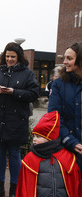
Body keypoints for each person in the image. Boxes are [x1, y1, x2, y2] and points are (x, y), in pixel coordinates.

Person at [0, 42, 39, 197]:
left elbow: (34, 93)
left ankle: (15, 190)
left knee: (14, 154)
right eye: (7, 56)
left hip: (16, 120)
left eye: (13, 57)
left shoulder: (27, 73)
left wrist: (14, 92)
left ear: (19, 57)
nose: (9, 59)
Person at [16, 111, 82, 197]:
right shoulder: (30, 159)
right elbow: (25, 189)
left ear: (49, 138)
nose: (34, 140)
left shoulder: (67, 157)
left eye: (38, 137)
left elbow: (75, 186)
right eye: (34, 136)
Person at [48, 42, 82, 176]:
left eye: (69, 58)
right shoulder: (58, 84)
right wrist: (71, 141)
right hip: (69, 150)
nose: (64, 62)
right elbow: (54, 116)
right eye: (64, 58)